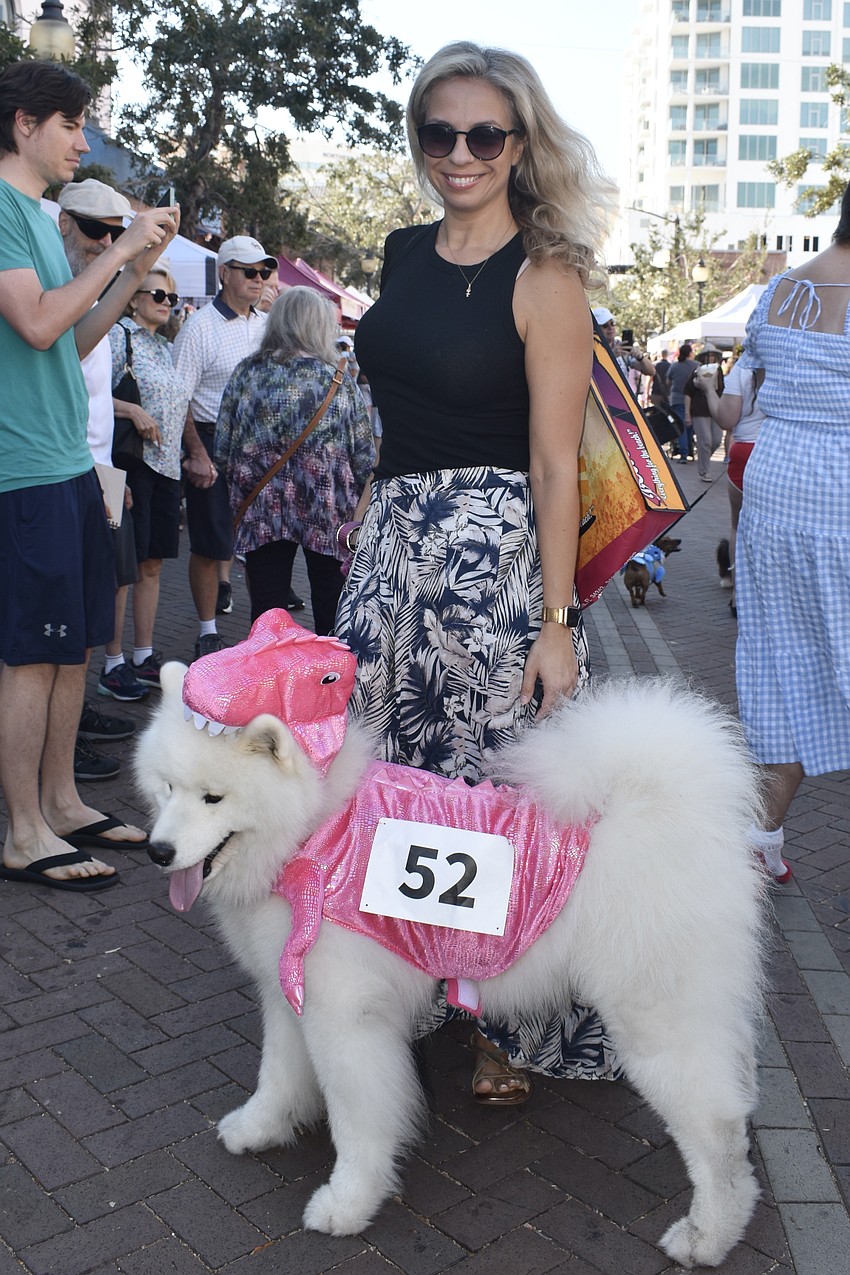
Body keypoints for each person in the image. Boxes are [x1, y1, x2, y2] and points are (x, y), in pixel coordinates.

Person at [336, 42, 620, 1102]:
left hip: (491, 555)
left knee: (494, 791)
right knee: (387, 776)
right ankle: (412, 982)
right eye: (438, 132)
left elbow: (556, 462)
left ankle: (506, 1015)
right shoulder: (402, 251)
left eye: (483, 134)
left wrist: (555, 619)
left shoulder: (547, 273)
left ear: (516, 145)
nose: (459, 153)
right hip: (390, 544)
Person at [0, 60, 178, 891]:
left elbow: (71, 342)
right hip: (22, 470)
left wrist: (135, 268)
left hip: (65, 462)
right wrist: (120, 256)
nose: (82, 140)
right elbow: (38, 323)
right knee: (30, 657)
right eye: (70, 124)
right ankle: (24, 829)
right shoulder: (0, 209)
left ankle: (63, 802)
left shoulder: (35, 217)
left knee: (70, 648)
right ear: (23, 125)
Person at [734, 180, 850, 886]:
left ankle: (757, 834)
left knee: (783, 662)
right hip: (838, 482)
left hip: (775, 483)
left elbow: (754, 376)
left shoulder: (780, 291)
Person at [54, 177, 146, 778]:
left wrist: (111, 469)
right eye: (94, 229)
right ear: (63, 223)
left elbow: (92, 399)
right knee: (60, 617)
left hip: (95, 470)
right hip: (59, 469)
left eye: (115, 233)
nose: (104, 242)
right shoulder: (50, 290)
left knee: (91, 607)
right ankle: (56, 740)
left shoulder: (93, 301)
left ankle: (72, 719)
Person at [215, 287, 373, 633]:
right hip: (328, 515)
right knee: (332, 608)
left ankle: (272, 683)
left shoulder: (247, 373)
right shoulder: (336, 380)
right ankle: (330, 684)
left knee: (267, 613)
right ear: (319, 327)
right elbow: (363, 457)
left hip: (260, 512)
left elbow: (222, 447)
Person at [172, 235, 274, 660]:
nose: (258, 280)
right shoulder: (199, 328)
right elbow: (179, 398)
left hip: (260, 443)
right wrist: (196, 452)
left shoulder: (266, 324)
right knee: (212, 542)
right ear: (224, 273)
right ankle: (208, 629)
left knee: (260, 544)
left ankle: (263, 630)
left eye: (263, 272)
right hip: (212, 439)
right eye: (249, 272)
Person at [108, 263, 190, 686]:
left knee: (152, 563)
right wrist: (133, 409)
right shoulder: (118, 336)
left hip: (166, 466)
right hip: (132, 463)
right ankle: (112, 661)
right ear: (135, 298)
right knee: (124, 566)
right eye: (157, 295)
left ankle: (143, 653)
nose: (166, 304)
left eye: (171, 298)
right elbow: (94, 397)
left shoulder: (163, 346)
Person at [702, 353, 765, 615]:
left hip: (744, 450)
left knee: (738, 526)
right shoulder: (794, 357)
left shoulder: (744, 366)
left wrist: (708, 389)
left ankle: (739, 595)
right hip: (778, 451)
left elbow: (726, 419)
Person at [684, 346, 725, 482]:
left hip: (716, 409)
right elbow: (688, 393)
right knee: (705, 441)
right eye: (708, 355)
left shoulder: (718, 371)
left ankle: (703, 458)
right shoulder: (696, 371)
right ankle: (704, 471)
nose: (710, 357)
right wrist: (687, 414)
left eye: (713, 355)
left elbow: (722, 390)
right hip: (700, 410)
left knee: (717, 440)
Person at [667, 342, 698, 462]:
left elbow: (668, 381)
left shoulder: (675, 366)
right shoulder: (696, 366)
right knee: (690, 426)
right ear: (690, 353)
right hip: (693, 399)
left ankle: (684, 453)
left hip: (677, 398)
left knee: (681, 426)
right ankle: (689, 449)